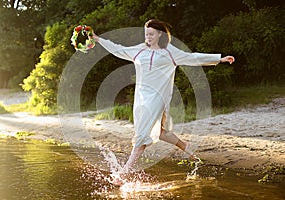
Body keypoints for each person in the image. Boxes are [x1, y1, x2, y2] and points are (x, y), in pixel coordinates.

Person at [93, 19, 235, 185]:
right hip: (141, 98)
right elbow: (118, 49)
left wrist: (219, 59)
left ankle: (124, 173)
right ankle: (186, 146)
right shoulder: (139, 50)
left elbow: (192, 57)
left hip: (157, 97)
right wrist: (98, 39)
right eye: (146, 34)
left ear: (160, 34)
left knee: (142, 135)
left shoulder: (169, 52)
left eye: (152, 34)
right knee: (158, 131)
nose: (148, 37)